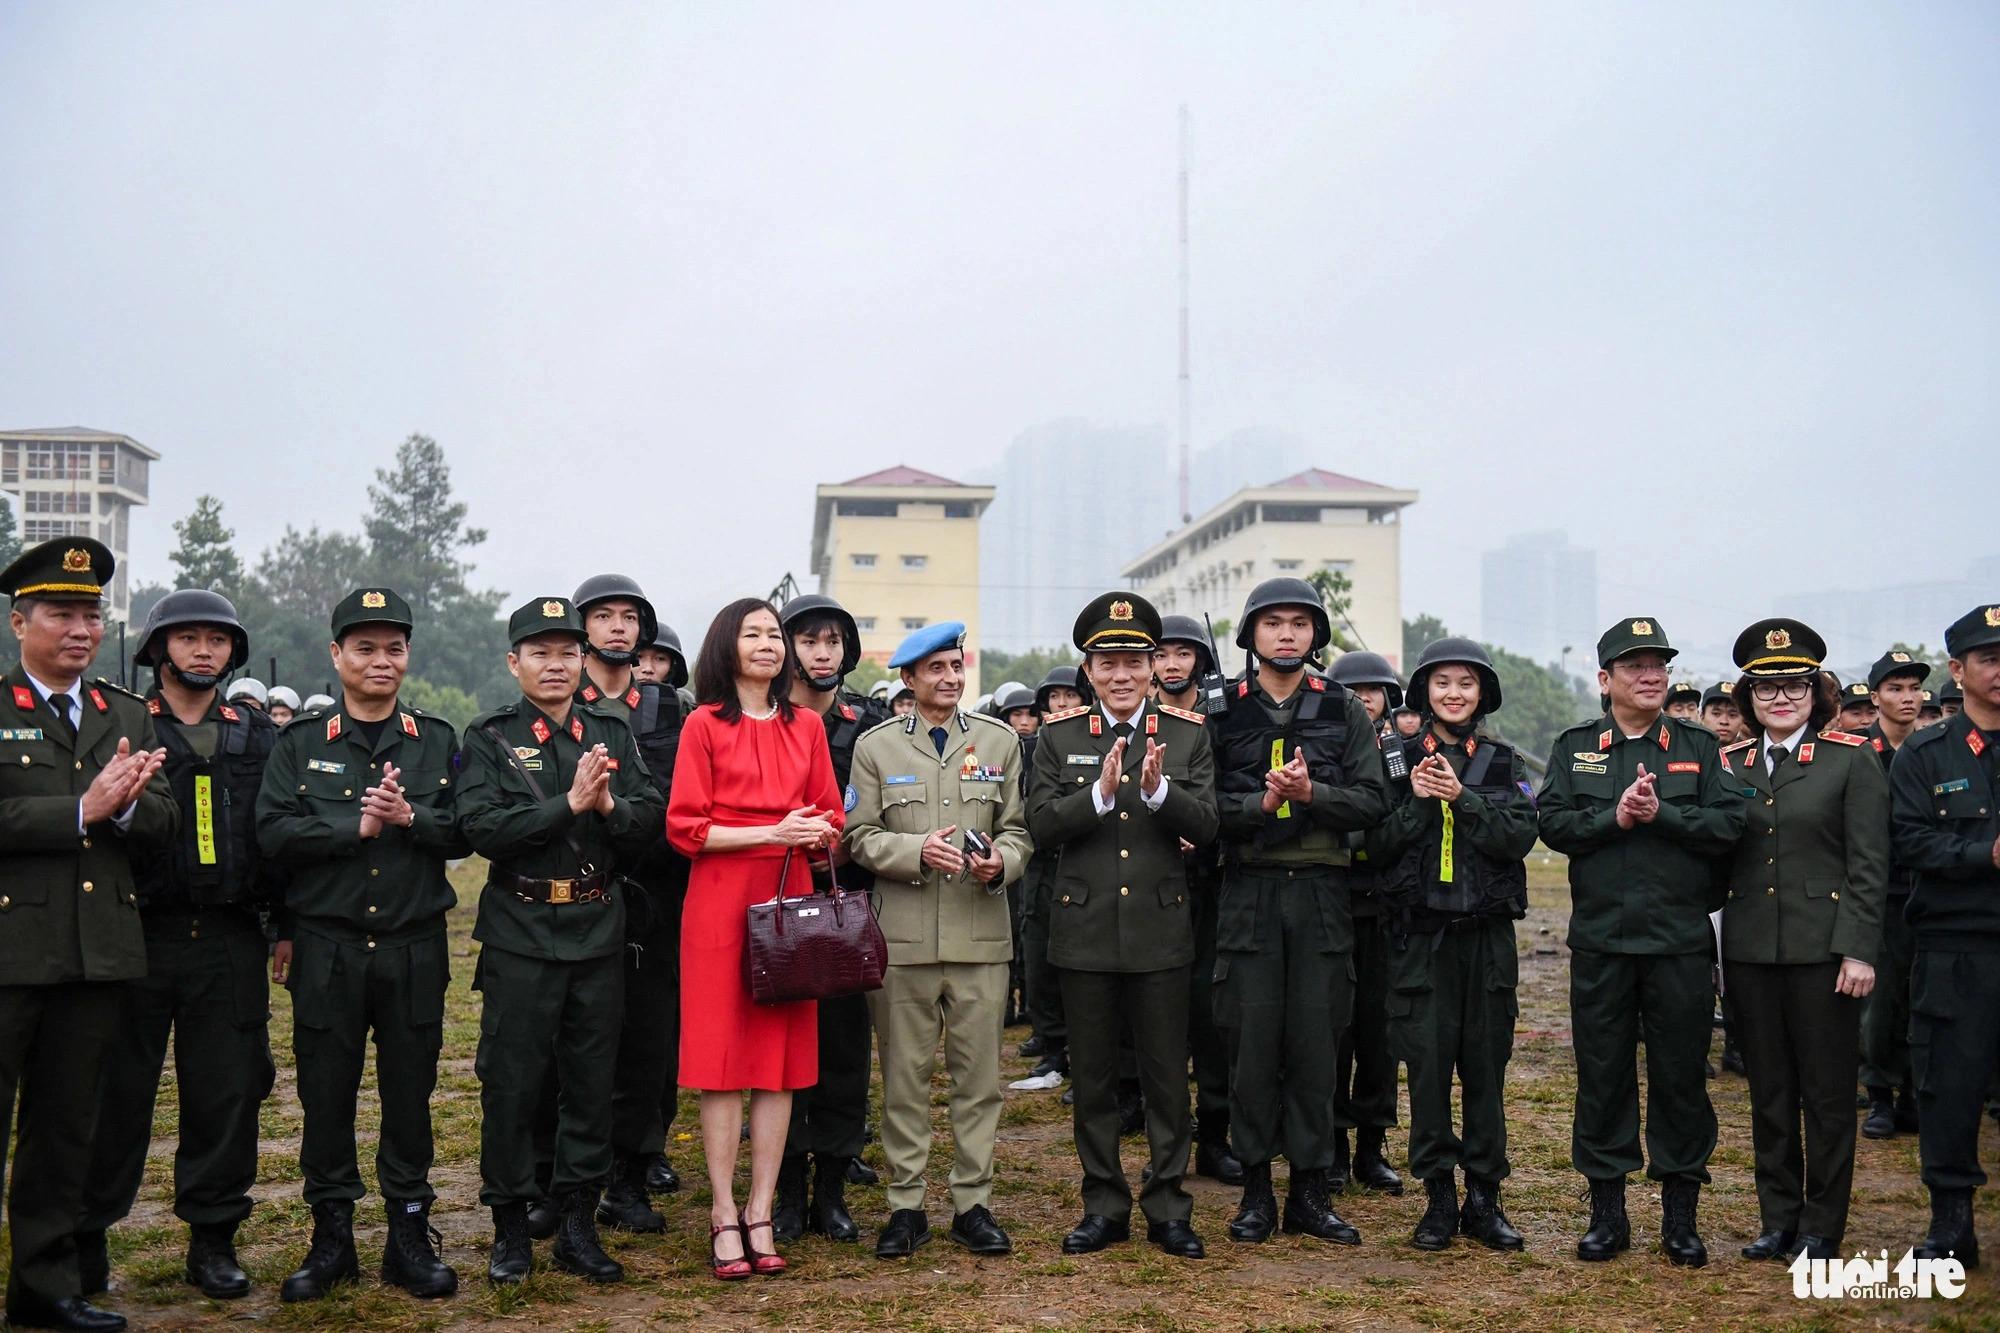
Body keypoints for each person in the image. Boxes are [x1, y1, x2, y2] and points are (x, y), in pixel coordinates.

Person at [255, 587, 468, 1303]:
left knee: (411, 1096)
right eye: (366, 647)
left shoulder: (436, 739)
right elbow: (274, 833)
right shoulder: (299, 744)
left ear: (408, 655)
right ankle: (331, 1238)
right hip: (328, 948)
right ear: (337, 655)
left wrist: (412, 817)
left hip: (412, 946)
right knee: (325, 1095)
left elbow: (468, 831)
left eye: (394, 647)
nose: (382, 660)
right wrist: (357, 829)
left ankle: (408, 1235)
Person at [456, 598, 664, 1286]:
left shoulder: (609, 730)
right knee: (511, 1084)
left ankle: (577, 1222)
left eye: (568, 652)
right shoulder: (489, 734)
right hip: (519, 931)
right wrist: (568, 805)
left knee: (590, 1081)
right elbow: (482, 826)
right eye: (540, 653)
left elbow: (649, 821)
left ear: (585, 661)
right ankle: (511, 1227)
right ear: (514, 662)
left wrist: (609, 806)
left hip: (597, 928)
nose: (556, 664)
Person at [78, 592, 278, 1303]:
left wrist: (282, 927)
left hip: (228, 937)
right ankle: (88, 1238)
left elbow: (277, 836)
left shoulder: (257, 734)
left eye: (217, 640)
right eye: (187, 637)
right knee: (114, 1095)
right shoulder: (123, 724)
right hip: (137, 935)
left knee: (227, 1094)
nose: (203, 650)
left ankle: (213, 1239)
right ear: (159, 649)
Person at [0, 538, 173, 1333]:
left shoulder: (125, 712)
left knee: (66, 1131)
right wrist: (80, 811)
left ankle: (44, 1287)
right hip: (11, 954)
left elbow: (164, 816)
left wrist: (132, 804)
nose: (80, 628)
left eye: (91, 614)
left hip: (95, 954)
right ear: (19, 621)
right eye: (61, 613)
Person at [1538, 617, 1745, 1267]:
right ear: (1606, 679)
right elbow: (1552, 822)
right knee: (1602, 1078)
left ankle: (1680, 1217)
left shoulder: (1698, 745)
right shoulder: (1576, 747)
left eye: (1658, 664)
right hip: (1602, 941)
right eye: (1634, 665)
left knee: (1682, 1077)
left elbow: (1730, 822)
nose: (1650, 675)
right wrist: (1616, 815)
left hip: (1678, 942)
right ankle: (1608, 1214)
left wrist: (1665, 814)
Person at [1028, 594, 1218, 1260]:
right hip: (1084, 933)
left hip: (1160, 931)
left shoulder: (1188, 733)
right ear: (1089, 668)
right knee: (1096, 1080)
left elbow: (1209, 826)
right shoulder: (1057, 737)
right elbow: (1041, 825)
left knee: (1168, 1079)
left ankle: (1169, 1205)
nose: (1122, 675)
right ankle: (1103, 1203)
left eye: (1134, 662)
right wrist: (1100, 796)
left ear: (1152, 667)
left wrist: (1162, 793)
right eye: (1108, 662)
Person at [1208, 578, 1390, 1246]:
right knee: (1251, 1044)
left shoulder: (1343, 709)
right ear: (1251, 634)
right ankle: (1256, 1191)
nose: (1286, 634)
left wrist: (1315, 794)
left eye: (1300, 623)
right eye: (1273, 622)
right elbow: (1199, 810)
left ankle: (1311, 1191)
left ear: (1317, 634)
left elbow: (1373, 801)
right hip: (1249, 891)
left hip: (1320, 893)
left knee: (1318, 1043)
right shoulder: (1220, 709)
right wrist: (1257, 805)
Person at [666, 597, 844, 1279]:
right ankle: (720, 1210)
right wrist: (773, 830)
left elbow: (831, 817)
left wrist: (814, 831)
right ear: (727, 646)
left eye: (776, 634)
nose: (770, 644)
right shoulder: (703, 724)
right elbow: (686, 828)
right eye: (755, 633)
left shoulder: (807, 726)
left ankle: (762, 1208)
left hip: (790, 898)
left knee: (778, 1062)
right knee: (720, 1064)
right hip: (717, 902)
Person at [846, 621, 1032, 1259]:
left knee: (979, 1080)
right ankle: (906, 1205)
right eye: (936, 669)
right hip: (902, 939)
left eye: (957, 667)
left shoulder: (1000, 742)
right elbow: (857, 835)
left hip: (980, 936)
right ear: (908, 679)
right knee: (903, 1077)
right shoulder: (875, 749)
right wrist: (912, 849)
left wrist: (999, 863)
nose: (950, 678)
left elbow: (1018, 831)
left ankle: (972, 1203)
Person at [1714, 619, 1886, 1265]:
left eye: (1794, 685)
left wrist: (1860, 948)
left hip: (1826, 955)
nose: (1781, 698)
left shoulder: (1851, 759)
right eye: (1767, 688)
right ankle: (1778, 1218)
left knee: (1829, 1095)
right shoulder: (1728, 765)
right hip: (1753, 952)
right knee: (1770, 1093)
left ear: (1816, 691)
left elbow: (1870, 864)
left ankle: (1822, 1226)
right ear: (1748, 697)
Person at [1368, 638, 1536, 1252]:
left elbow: (1520, 834)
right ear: (1424, 693)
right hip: (1420, 942)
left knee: (1486, 1072)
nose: (1454, 693)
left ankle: (1485, 1198)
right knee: (1429, 1070)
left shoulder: (1501, 762)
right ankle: (1438, 1197)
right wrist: (1415, 802)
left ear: (1482, 693)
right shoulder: (1395, 759)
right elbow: (1374, 845)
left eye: (1466, 682)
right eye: (1442, 683)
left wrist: (1462, 800)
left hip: (1486, 942)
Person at [545, 574, 688, 1236]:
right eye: (602, 615)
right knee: (562, 1045)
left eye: (629, 616)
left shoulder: (669, 708)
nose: (617, 627)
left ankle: (630, 1179)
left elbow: (678, 803)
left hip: (652, 895)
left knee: (644, 1044)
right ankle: (557, 1178)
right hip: (569, 897)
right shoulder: (552, 701)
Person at [769, 594, 886, 1246]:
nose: (821, 651)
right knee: (782, 1052)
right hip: (779, 907)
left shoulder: (867, 725)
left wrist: (850, 845)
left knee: (843, 1051)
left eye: (833, 641)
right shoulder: (762, 720)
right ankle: (786, 1187)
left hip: (845, 909)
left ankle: (834, 1186)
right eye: (809, 639)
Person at [1888, 603, 2000, 1267]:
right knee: (1949, 1086)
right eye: (1988, 657)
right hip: (1957, 946)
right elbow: (1906, 838)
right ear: (1958, 670)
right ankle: (1952, 1224)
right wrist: (1982, 855)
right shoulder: (1926, 754)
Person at [1153, 616, 1242, 1185]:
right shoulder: (1137, 720)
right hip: (1153, 884)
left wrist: (1205, 829)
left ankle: (1215, 1137)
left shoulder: (1224, 722)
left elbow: (1232, 793)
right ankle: (1165, 1143)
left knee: (1213, 1019)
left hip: (1212, 884)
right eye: (1162, 653)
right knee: (1156, 1020)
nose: (1173, 664)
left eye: (1185, 653)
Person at [1324, 649, 1408, 1196]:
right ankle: (1330, 1145)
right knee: (1331, 1031)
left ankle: (1372, 1147)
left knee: (1381, 1035)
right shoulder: (1328, 746)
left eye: (1373, 692)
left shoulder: (1404, 754)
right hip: (1333, 901)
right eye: (1353, 692)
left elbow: (1407, 818)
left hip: (1387, 909)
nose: (1363, 700)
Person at [1858, 648, 1932, 1140]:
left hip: (1926, 888)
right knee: (1881, 1000)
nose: (1907, 698)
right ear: (1875, 696)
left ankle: (1913, 1094)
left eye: (1913, 689)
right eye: (1895, 688)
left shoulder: (1934, 749)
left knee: (1924, 997)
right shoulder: (1856, 751)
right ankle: (1879, 1094)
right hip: (1878, 890)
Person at [1014, 665, 1088, 1088]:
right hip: (1039, 867)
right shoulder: (1028, 747)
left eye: (1070, 696)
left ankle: (1085, 1058)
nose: (1062, 704)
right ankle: (1054, 1048)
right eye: (1053, 697)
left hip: (1078, 860)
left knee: (1080, 967)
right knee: (1040, 960)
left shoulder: (1092, 742)